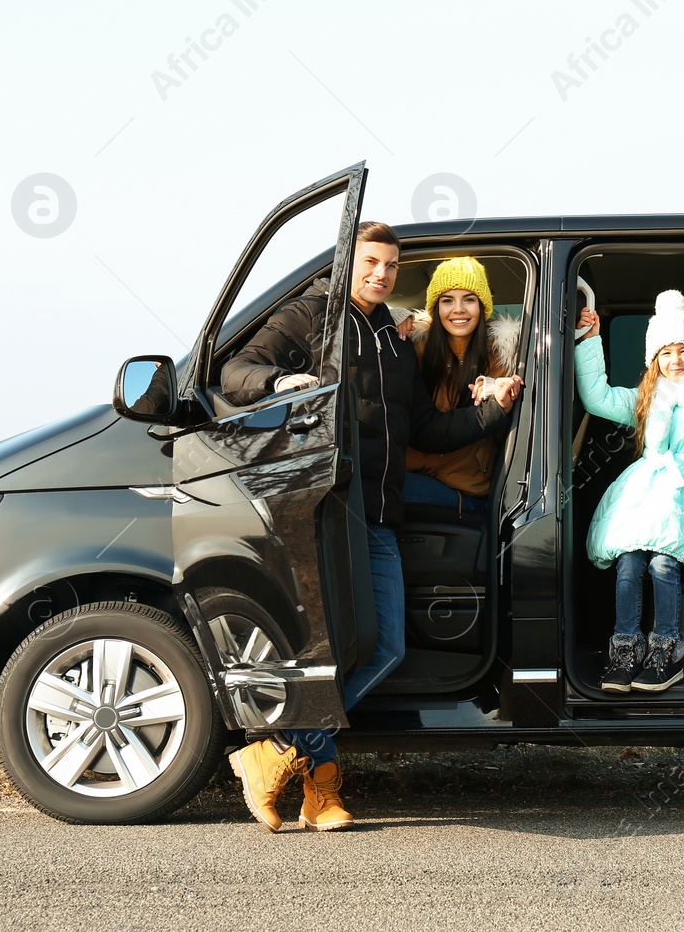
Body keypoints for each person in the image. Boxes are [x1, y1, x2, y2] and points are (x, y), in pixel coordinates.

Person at [219, 222, 523, 832]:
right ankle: (320, 790)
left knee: (383, 649)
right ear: (345, 261)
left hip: (380, 511)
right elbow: (236, 369)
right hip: (330, 510)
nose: (381, 273)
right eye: (370, 262)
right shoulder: (310, 314)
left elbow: (423, 433)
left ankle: (276, 752)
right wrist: (281, 383)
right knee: (335, 649)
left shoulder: (389, 333)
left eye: (389, 265)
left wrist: (491, 415)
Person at [576, 290, 684, 693]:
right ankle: (625, 648)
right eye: (665, 352)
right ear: (654, 361)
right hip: (647, 497)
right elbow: (597, 397)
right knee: (629, 562)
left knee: (664, 563)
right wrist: (590, 340)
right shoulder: (646, 400)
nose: (675, 360)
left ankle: (666, 650)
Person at [401, 256, 522, 515]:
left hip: (463, 487)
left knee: (376, 493)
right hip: (412, 471)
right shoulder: (413, 349)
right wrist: (391, 319)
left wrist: (501, 391)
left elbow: (503, 422)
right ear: (435, 308)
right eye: (447, 300)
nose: (459, 309)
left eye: (469, 299)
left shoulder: (502, 357)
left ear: (482, 306)